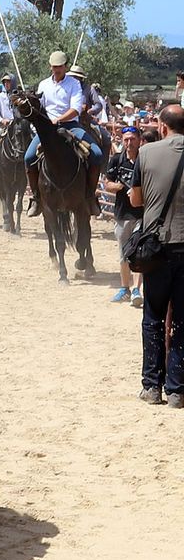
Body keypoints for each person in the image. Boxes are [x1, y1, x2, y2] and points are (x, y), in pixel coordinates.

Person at [128, 104, 184, 405]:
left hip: (157, 246)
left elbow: (136, 200)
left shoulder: (147, 152)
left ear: (162, 127)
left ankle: (152, 386)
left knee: (153, 317)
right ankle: (177, 390)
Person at [103, 126, 146, 306]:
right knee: (123, 253)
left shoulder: (145, 159)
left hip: (142, 214)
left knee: (140, 253)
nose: (129, 143)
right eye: (126, 139)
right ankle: (124, 288)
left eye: (132, 139)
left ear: (139, 140)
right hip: (122, 213)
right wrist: (119, 187)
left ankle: (136, 289)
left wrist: (138, 192)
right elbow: (107, 183)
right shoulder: (116, 159)